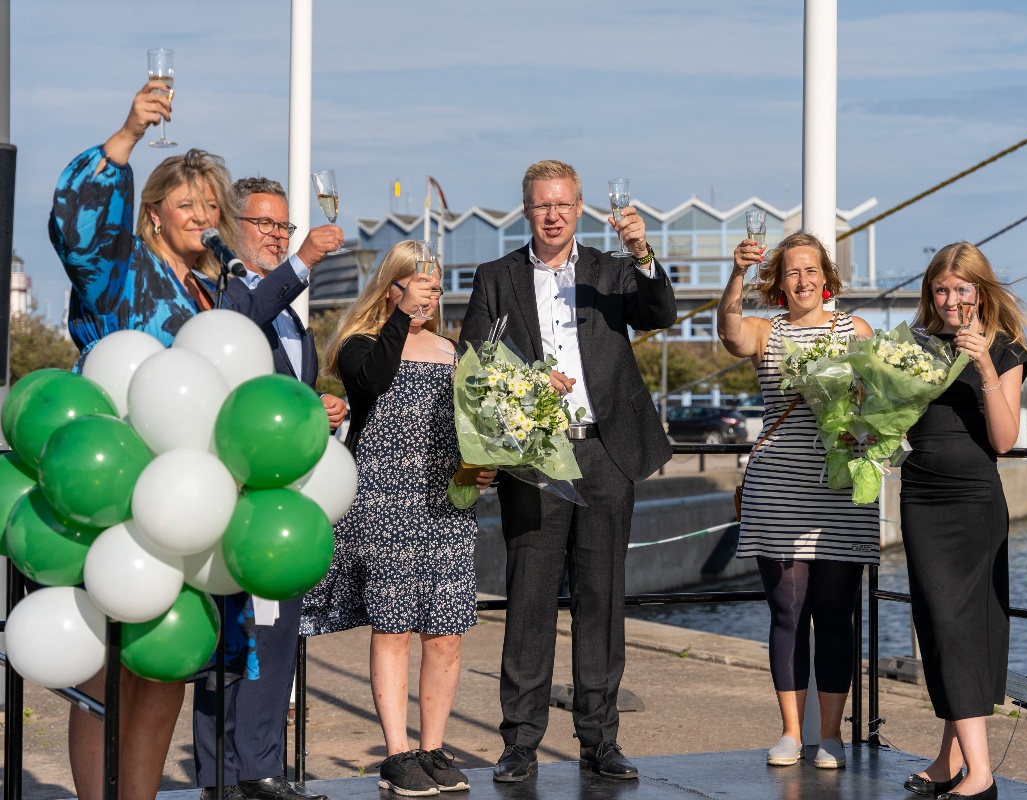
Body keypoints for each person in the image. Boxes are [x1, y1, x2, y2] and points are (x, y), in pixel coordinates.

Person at [48, 83, 340, 800]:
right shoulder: (119, 272)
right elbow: (78, 228)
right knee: (106, 674)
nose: (205, 220)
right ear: (153, 215)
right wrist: (126, 134)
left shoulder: (217, 295)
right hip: (114, 486)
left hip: (188, 502)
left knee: (163, 666)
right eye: (189, 207)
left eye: (214, 209)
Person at [459, 160, 677, 783]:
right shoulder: (496, 278)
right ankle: (520, 743)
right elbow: (477, 362)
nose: (551, 215)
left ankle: (599, 741)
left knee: (601, 600)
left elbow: (658, 310)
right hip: (533, 456)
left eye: (562, 205)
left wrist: (641, 249)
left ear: (580, 207)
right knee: (528, 600)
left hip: (606, 453)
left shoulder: (612, 270)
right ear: (524, 210)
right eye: (539, 206)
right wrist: (529, 386)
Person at [301, 241, 496, 796]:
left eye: (436, 283)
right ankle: (396, 753)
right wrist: (397, 318)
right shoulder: (362, 343)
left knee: (447, 633)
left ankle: (434, 748)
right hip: (383, 502)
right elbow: (374, 382)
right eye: (422, 281)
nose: (434, 290)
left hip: (446, 505)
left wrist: (483, 470)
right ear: (394, 287)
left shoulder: (453, 351)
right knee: (394, 628)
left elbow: (472, 429)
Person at [191, 177, 348, 800]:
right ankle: (220, 773)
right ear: (232, 227)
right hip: (228, 497)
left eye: (284, 228)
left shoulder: (289, 314)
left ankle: (259, 767)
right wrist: (303, 260)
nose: (276, 237)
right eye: (264, 225)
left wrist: (319, 406)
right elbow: (236, 332)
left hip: (282, 502)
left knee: (276, 636)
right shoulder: (222, 293)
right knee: (230, 639)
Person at [717, 231, 878, 770]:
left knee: (835, 615)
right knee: (787, 612)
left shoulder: (854, 330)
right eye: (791, 272)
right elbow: (730, 333)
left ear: (827, 278)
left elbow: (878, 402)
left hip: (838, 491)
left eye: (811, 271)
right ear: (779, 282)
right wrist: (736, 273)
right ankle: (790, 732)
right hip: (778, 489)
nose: (803, 280)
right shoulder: (768, 332)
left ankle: (830, 735)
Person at [900, 242, 1027, 800]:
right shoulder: (915, 345)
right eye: (941, 289)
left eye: (962, 289)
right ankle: (948, 759)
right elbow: (897, 418)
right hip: (920, 495)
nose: (951, 300)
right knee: (937, 625)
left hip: (973, 503)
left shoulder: (1006, 350)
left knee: (959, 626)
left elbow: (1003, 440)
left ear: (981, 290)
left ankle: (980, 774)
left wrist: (981, 364)